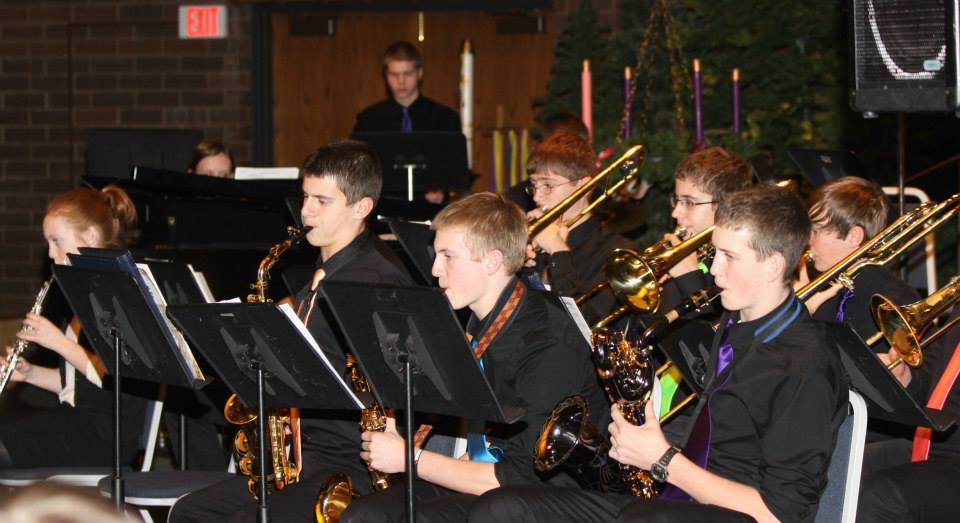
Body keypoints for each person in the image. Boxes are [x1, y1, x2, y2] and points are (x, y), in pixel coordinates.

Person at [468, 183, 849, 522]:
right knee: (502, 507)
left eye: (729, 257)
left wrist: (663, 460)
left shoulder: (805, 366)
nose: (714, 270)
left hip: (725, 513)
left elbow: (779, 515)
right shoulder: (735, 323)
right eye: (715, 253)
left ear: (773, 266)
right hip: (676, 499)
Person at [168, 140, 415, 523]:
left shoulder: (373, 282)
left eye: (322, 201)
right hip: (304, 457)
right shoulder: (324, 268)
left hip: (348, 464)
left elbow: (392, 384)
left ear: (362, 207)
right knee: (189, 513)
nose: (306, 211)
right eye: (305, 197)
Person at [341, 192, 609, 522]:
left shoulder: (548, 342)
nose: (435, 269)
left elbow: (521, 475)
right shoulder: (477, 320)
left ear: (492, 262)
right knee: (364, 513)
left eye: (448, 256)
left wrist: (410, 458)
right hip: (491, 479)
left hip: (545, 496)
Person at [0, 185, 148, 469]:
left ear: (90, 236)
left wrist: (57, 341)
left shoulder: (118, 296)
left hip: (106, 434)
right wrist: (29, 374)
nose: (51, 253)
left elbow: (115, 376)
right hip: (77, 420)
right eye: (48, 243)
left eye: (56, 241)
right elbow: (77, 384)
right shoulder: (83, 295)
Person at [857, 307, 960, 522]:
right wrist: (907, 380)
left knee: (881, 497)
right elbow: (934, 385)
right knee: (842, 464)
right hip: (936, 443)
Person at [523, 132, 634, 326]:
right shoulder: (533, 242)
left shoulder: (614, 253)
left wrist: (558, 251)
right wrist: (521, 267)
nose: (536, 197)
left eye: (548, 185)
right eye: (534, 185)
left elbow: (585, 325)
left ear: (584, 187)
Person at [801, 176, 918, 353]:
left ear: (854, 237)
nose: (808, 240)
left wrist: (800, 315)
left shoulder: (893, 298)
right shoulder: (825, 288)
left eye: (816, 231)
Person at [353, 41, 460, 135]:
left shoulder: (445, 119)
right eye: (394, 75)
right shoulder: (368, 120)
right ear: (385, 75)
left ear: (419, 73)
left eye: (408, 74)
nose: (401, 81)